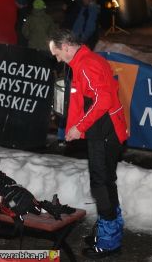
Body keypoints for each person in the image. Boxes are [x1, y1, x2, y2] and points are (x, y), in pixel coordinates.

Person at [48, 29, 128, 258]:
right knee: (106, 182)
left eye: (56, 53)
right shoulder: (84, 61)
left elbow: (102, 100)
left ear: (66, 47)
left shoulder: (86, 64)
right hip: (104, 131)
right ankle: (110, 230)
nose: (56, 58)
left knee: (100, 184)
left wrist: (79, 127)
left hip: (103, 133)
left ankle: (109, 242)